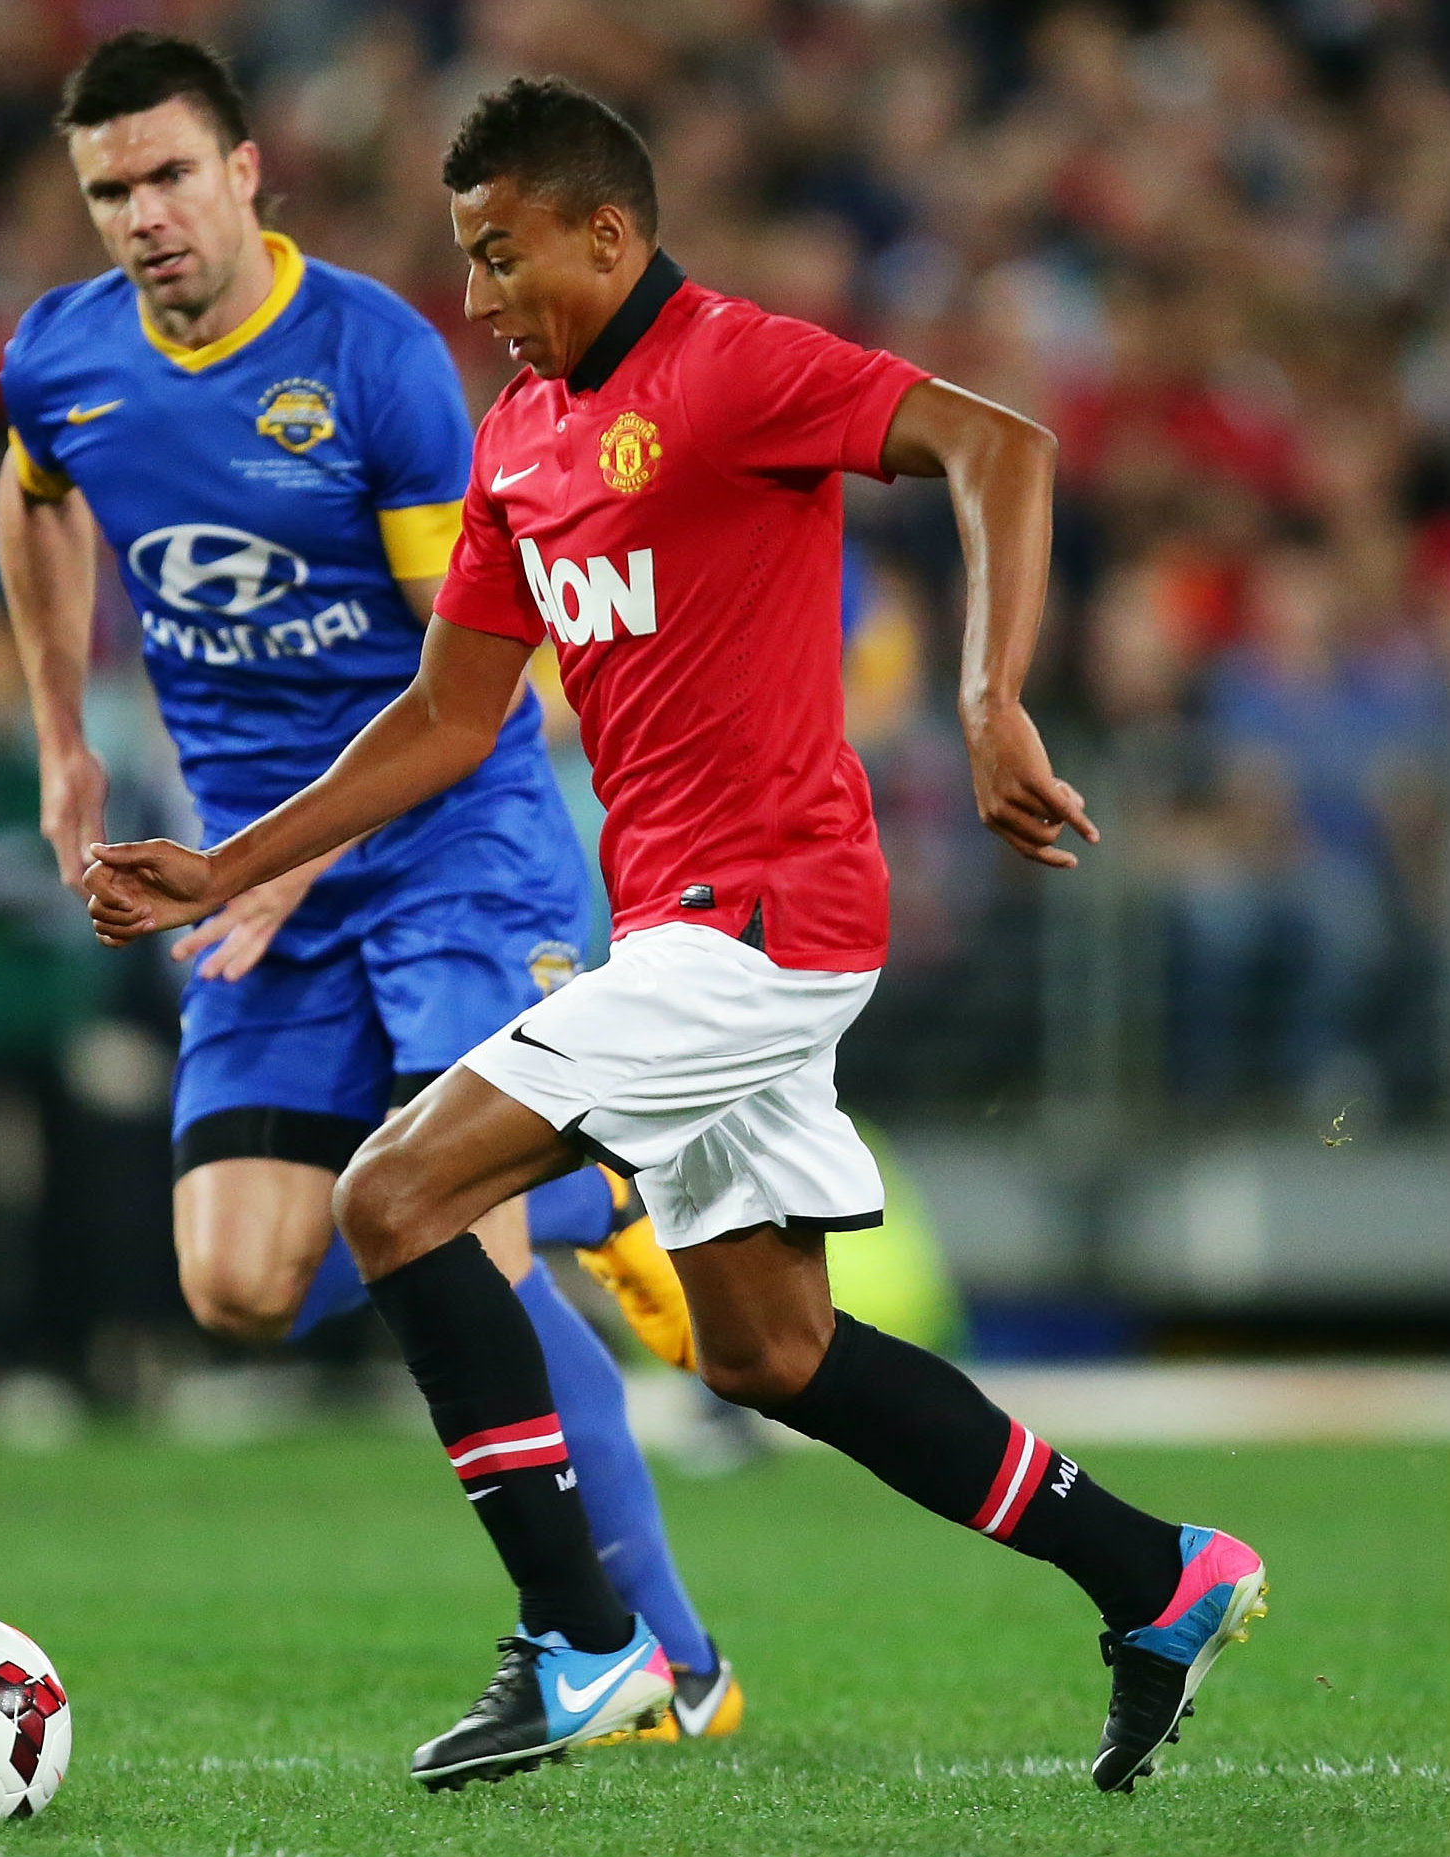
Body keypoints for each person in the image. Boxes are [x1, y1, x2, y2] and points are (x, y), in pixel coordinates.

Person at [83, 76, 1267, 1792]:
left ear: (608, 232)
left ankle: (583, 1637)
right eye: (466, 262)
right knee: (767, 1350)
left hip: (766, 919)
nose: (480, 299)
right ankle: (1157, 1575)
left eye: (502, 258)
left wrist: (989, 700)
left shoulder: (731, 366)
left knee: (396, 1193)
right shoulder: (519, 438)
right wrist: (226, 863)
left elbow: (999, 443)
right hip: (676, 928)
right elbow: (443, 715)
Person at [0, 30, 738, 1740]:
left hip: (447, 847)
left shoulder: (375, 364)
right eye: (111, 190)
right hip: (250, 873)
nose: (145, 216)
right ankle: (583, 1208)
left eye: (173, 175)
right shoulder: (64, 358)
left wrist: (288, 854)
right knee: (239, 1283)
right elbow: (33, 502)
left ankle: (674, 1663)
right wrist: (63, 736)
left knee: (450, 1236)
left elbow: (482, 688)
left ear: (246, 170)